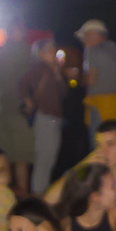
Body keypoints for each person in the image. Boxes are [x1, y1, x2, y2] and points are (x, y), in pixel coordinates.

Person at [48, 119, 116, 225]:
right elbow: (49, 200)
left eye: (110, 144)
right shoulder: (90, 169)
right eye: (99, 145)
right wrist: (81, 166)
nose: (103, 151)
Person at [0, 19, 36, 195]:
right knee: (21, 157)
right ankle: (23, 199)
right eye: (22, 29)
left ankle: (7, 198)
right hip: (19, 109)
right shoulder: (25, 51)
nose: (25, 32)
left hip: (0, 109)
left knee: (6, 157)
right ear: (15, 30)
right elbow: (34, 78)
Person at [19, 40, 66, 195]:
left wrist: (58, 74)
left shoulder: (52, 69)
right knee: (44, 161)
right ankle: (39, 196)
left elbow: (63, 93)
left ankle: (42, 194)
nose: (53, 52)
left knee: (49, 159)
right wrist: (27, 99)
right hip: (45, 118)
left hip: (53, 119)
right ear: (40, 53)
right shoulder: (39, 68)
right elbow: (22, 82)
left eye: (53, 49)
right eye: (49, 50)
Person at [76, 19, 116, 139]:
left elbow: (91, 80)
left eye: (85, 36)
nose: (83, 40)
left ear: (94, 34)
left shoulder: (91, 51)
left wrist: (76, 77)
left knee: (98, 145)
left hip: (99, 106)